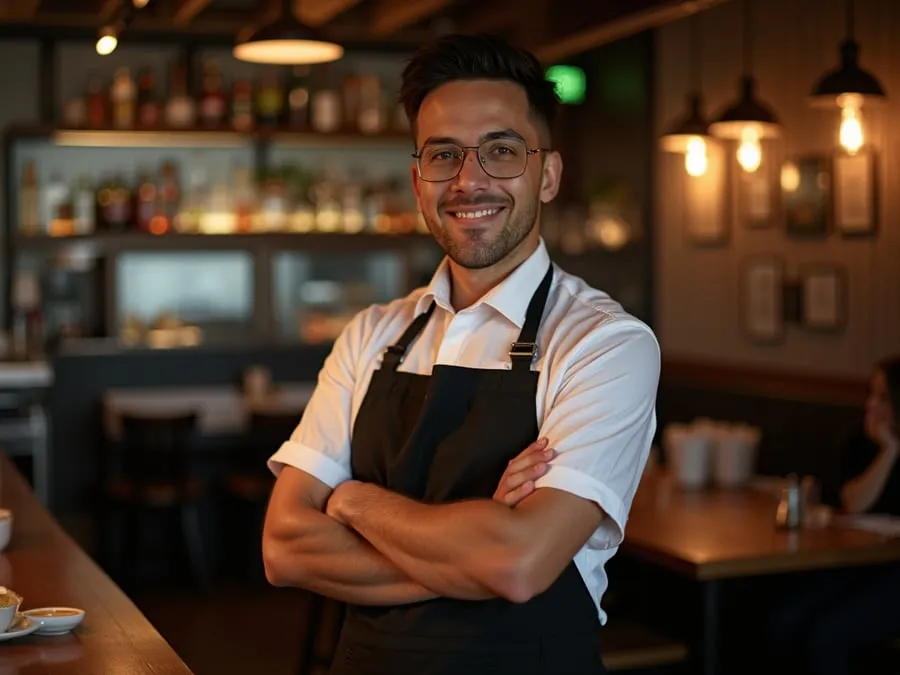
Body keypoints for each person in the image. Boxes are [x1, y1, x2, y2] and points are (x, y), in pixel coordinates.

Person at [262, 33, 660, 675]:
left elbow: (519, 563)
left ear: (548, 174)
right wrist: (475, 545)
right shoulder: (372, 334)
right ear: (418, 180)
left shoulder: (604, 344)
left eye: (501, 150)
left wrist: (353, 503)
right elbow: (285, 549)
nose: (469, 180)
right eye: (444, 154)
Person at [769, 356, 900, 675]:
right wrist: (890, 451)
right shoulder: (859, 442)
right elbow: (854, 502)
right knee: (784, 620)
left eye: (882, 397)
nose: (871, 405)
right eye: (870, 394)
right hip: (856, 567)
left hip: (893, 576)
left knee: (827, 635)